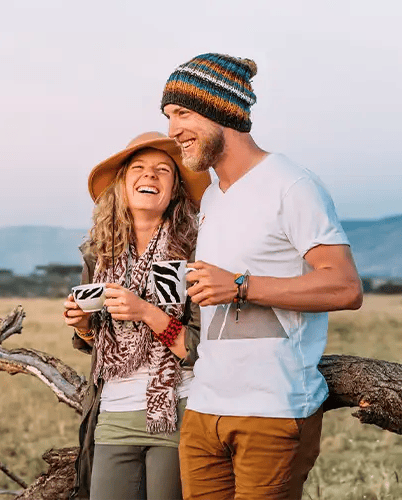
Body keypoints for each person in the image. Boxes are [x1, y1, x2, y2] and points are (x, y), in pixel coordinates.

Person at [160, 53, 364, 500]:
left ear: (221, 111)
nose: (172, 130)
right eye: (169, 116)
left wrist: (241, 285)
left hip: (271, 409)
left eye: (183, 113)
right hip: (204, 408)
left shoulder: (291, 185)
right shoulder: (213, 196)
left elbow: (345, 286)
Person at [63, 132, 211, 500]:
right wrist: (83, 327)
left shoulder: (195, 251)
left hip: (176, 412)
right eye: (139, 168)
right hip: (112, 414)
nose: (150, 176)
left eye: (163, 170)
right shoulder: (99, 255)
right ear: (123, 184)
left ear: (175, 189)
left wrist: (145, 311)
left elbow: (196, 347)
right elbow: (98, 342)